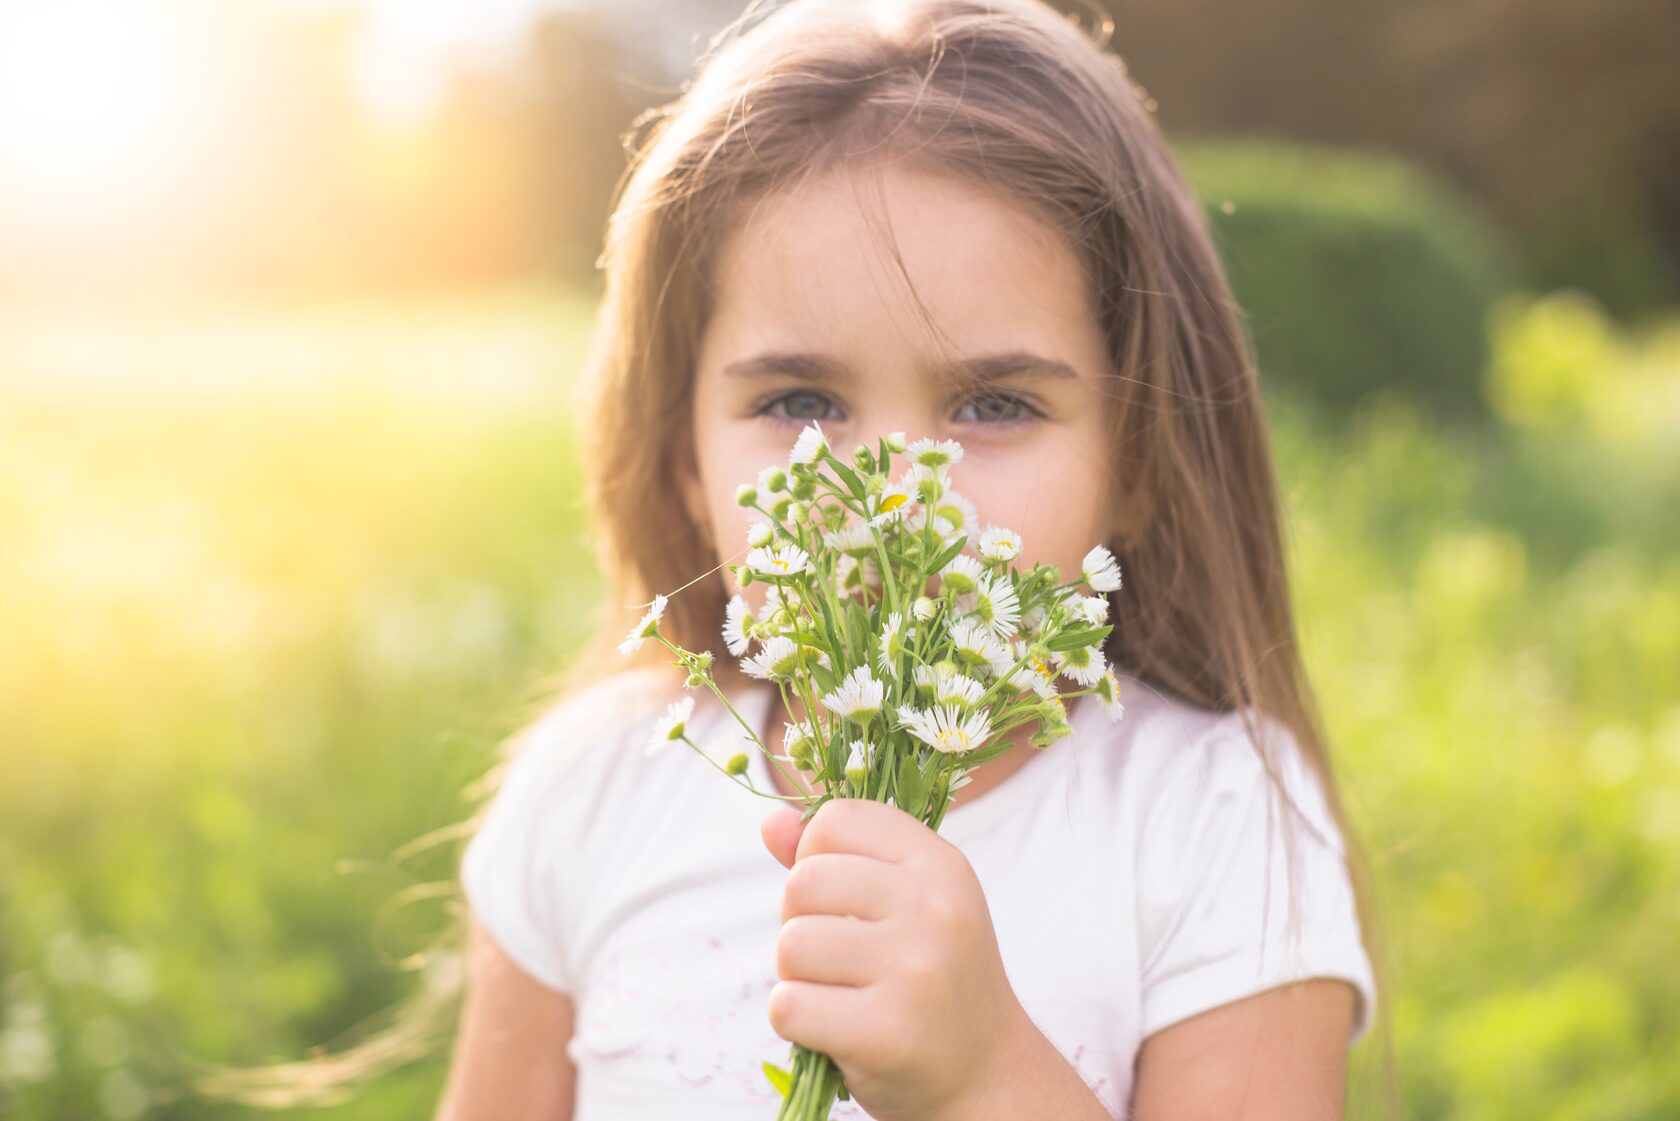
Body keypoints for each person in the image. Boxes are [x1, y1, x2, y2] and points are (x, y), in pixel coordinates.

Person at [438, 1, 1394, 1118]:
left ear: (1138, 460)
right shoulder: (591, 795)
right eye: (799, 402)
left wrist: (986, 1073)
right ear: (685, 463)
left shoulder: (1213, 816)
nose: (891, 491)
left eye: (994, 403)